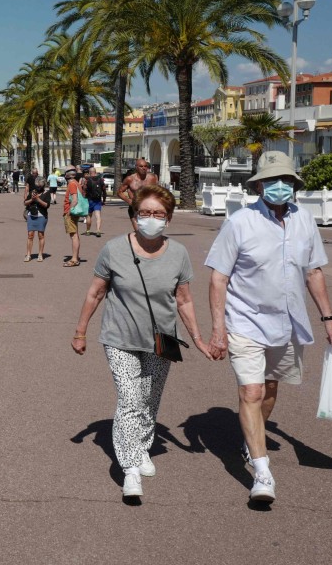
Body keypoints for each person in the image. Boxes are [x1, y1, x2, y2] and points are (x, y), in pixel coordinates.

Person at [204, 151, 332, 505]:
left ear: (294, 185)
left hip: (287, 322)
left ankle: (254, 438)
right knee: (250, 393)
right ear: (259, 185)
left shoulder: (305, 221)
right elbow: (218, 278)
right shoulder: (239, 222)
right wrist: (218, 330)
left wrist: (329, 318)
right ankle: (262, 473)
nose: (279, 186)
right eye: (271, 180)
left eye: (285, 180)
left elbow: (313, 272)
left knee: (268, 389)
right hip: (245, 321)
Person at [72, 184, 210, 499]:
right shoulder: (114, 249)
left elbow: (184, 301)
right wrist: (80, 331)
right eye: (144, 212)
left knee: (150, 399)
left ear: (169, 218)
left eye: (158, 214)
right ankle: (130, 468)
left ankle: (143, 447)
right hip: (119, 338)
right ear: (134, 216)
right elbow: (96, 292)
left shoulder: (179, 253)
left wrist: (199, 339)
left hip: (162, 340)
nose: (151, 218)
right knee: (131, 399)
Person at [118, 159, 159, 229]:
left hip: (148, 209)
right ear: (136, 167)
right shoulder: (130, 179)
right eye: (141, 166)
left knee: (148, 231)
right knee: (138, 232)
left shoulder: (152, 178)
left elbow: (157, 192)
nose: (144, 168)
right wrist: (128, 201)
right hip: (135, 209)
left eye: (145, 166)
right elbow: (119, 192)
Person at [23, 177, 50, 261]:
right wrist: (32, 199)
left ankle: (40, 255)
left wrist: (38, 199)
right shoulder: (33, 192)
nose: (38, 188)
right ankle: (28, 255)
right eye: (37, 186)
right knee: (30, 235)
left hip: (41, 216)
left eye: (39, 186)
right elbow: (25, 202)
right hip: (31, 215)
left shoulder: (46, 193)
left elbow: (47, 205)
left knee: (41, 235)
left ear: (43, 186)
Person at [62, 167, 84, 267]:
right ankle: (76, 257)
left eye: (65, 172)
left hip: (71, 212)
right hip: (75, 212)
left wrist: (69, 211)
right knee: (75, 234)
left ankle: (74, 259)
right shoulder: (76, 183)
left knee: (73, 235)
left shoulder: (71, 184)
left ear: (68, 174)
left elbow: (74, 199)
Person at [82, 167, 106, 237]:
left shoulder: (87, 180)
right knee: (98, 216)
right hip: (98, 200)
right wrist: (104, 200)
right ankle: (98, 230)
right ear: (95, 172)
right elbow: (104, 191)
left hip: (89, 200)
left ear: (89, 172)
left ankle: (88, 231)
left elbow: (84, 190)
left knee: (89, 216)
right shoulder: (101, 180)